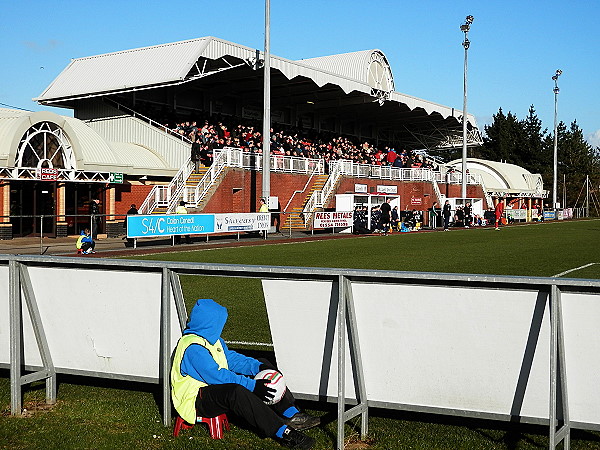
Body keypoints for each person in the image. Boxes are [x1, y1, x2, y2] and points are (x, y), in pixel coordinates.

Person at [171, 299, 319, 449]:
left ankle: (292, 415)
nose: (221, 327)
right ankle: (284, 433)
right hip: (194, 400)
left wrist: (258, 367)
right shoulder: (192, 347)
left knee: (265, 366)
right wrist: (253, 385)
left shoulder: (213, 340)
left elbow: (231, 359)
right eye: (219, 323)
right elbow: (216, 376)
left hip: (211, 388)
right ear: (210, 323)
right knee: (235, 392)